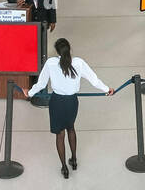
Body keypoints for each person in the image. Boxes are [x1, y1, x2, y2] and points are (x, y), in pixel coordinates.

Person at [21, 38, 113, 177]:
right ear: (69, 49)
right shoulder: (78, 63)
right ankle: (74, 160)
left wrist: (29, 93)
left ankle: (64, 167)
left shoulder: (51, 63)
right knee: (71, 128)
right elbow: (94, 79)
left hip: (57, 102)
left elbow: (41, 84)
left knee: (60, 134)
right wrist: (107, 89)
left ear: (57, 51)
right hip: (72, 102)